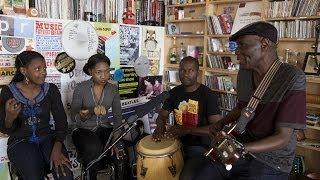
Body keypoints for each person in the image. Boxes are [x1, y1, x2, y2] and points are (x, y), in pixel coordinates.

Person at [208, 22, 306, 179]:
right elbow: (243, 108)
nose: (237, 53)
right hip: (244, 149)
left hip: (273, 160)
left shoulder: (292, 77)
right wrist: (221, 123)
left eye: (242, 45)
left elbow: (283, 137)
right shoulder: (245, 73)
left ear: (264, 44)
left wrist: (242, 148)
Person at [0, 51, 73, 180]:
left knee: (65, 175)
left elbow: (61, 123)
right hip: (20, 141)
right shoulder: (8, 92)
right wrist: (10, 117)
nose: (43, 72)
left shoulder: (51, 90)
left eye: (44, 68)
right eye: (38, 69)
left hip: (48, 139)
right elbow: (5, 129)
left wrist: (57, 149)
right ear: (23, 71)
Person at [152, 56, 222, 180]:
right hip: (175, 143)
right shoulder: (174, 93)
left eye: (191, 70)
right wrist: (159, 127)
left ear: (197, 73)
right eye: (182, 70)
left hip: (200, 148)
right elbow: (162, 114)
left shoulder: (208, 95)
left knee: (185, 177)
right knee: (156, 171)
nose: (186, 74)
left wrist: (187, 130)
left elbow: (216, 128)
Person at [71, 54, 128, 180]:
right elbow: (74, 116)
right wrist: (88, 112)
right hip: (83, 130)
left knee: (121, 151)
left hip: (105, 129)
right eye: (99, 72)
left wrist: (115, 139)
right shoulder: (81, 88)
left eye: (107, 71)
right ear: (91, 71)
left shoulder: (113, 89)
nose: (104, 76)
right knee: (93, 148)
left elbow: (118, 116)